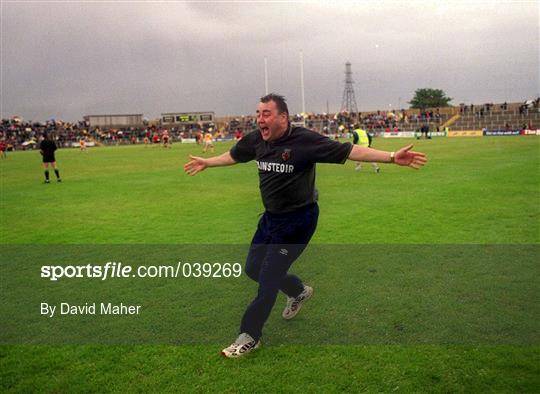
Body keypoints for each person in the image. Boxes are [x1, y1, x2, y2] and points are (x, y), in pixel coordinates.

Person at [183, 93, 427, 358]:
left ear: (283, 117)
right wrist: (207, 162)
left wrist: (391, 156)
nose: (259, 119)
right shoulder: (256, 139)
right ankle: (298, 291)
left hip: (298, 221)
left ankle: (250, 335)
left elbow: (349, 150)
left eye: (266, 114)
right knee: (253, 268)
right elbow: (235, 155)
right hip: (271, 219)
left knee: (267, 280)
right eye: (258, 114)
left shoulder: (304, 141)